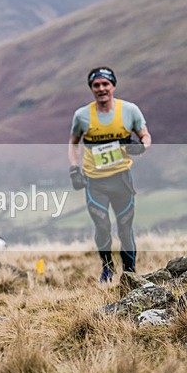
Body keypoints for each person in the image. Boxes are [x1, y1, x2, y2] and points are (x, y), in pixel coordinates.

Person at [68, 67, 152, 282]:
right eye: (96, 85)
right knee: (103, 227)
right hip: (95, 182)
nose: (101, 89)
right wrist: (74, 169)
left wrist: (141, 146)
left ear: (113, 86)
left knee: (125, 227)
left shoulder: (130, 110)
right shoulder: (82, 115)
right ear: (91, 89)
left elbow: (145, 136)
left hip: (121, 179)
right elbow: (73, 143)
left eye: (106, 84)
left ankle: (130, 273)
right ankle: (107, 268)